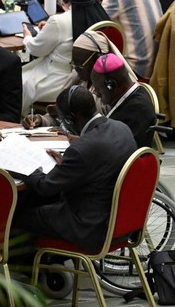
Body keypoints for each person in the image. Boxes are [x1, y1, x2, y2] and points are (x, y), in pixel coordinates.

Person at [13, 85, 137, 253]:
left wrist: (24, 166)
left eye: (63, 120)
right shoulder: (122, 128)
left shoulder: (82, 148)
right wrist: (68, 164)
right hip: (118, 223)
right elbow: (99, 166)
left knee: (17, 216)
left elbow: (45, 186)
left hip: (86, 227)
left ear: (72, 118)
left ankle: (29, 267)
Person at [20, 0, 109, 112]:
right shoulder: (102, 15)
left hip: (57, 81)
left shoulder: (59, 21)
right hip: (92, 83)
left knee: (12, 82)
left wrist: (28, 37)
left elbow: (36, 49)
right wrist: (49, 29)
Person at [22, 30, 137, 128]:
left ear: (99, 59)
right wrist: (41, 120)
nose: (76, 69)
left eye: (80, 65)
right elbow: (62, 116)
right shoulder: (77, 78)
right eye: (73, 63)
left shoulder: (113, 90)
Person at [90, 53, 156, 148]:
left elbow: (116, 151)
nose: (96, 93)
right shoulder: (132, 96)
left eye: (98, 88)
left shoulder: (135, 111)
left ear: (111, 85)